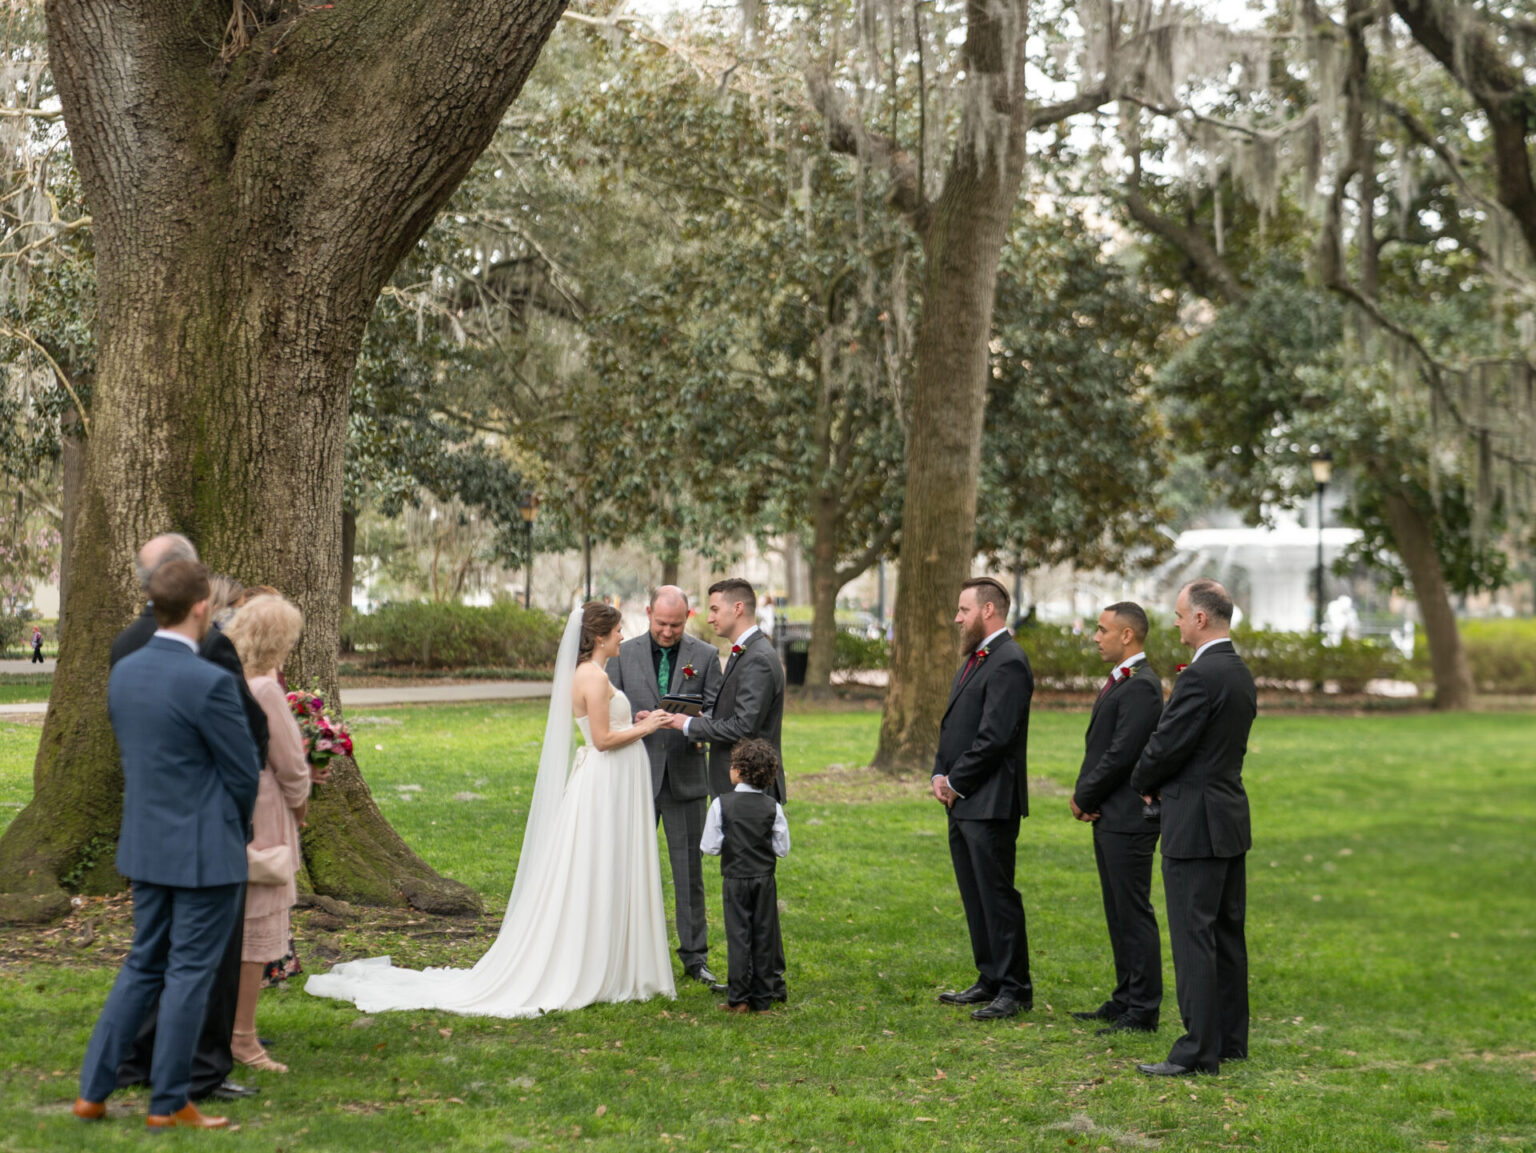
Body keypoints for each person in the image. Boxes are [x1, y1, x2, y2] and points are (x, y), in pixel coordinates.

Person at [306, 602, 677, 1017]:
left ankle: (613, 961)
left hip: (612, 781)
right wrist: (645, 728)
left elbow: (608, 728)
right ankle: (593, 963)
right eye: (617, 630)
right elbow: (603, 739)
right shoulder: (590, 675)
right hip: (604, 780)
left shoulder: (596, 674)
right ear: (599, 636)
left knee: (607, 865)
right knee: (596, 866)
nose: (622, 636)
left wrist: (640, 722)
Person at [74, 560, 261, 1130]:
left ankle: (93, 1091)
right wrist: (239, 832)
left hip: (146, 843)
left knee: (141, 965)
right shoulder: (209, 680)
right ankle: (169, 1102)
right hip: (205, 851)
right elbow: (244, 772)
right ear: (202, 606)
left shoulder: (123, 673)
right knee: (187, 974)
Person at [1130, 579, 1257, 1078]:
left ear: (1201, 618)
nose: (1177, 621)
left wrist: (1142, 780)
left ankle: (1198, 1050)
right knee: (1225, 934)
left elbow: (1167, 743)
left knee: (1193, 935)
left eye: (1181, 614)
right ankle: (1229, 1039)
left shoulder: (1201, 677)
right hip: (1227, 817)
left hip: (1195, 822)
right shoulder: (1239, 672)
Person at [607, 586, 724, 989]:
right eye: (660, 623)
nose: (668, 632)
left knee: (689, 875)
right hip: (634, 775)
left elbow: (717, 714)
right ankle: (619, 952)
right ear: (647, 613)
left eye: (676, 624)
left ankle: (695, 959)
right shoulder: (622, 652)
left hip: (686, 779)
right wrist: (637, 724)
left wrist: (688, 724)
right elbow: (606, 710)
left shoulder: (706, 657)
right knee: (624, 868)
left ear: (688, 616)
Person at [932, 577, 1034, 1021]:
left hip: (990, 800)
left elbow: (995, 737)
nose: (957, 618)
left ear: (988, 611)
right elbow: (955, 723)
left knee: (996, 895)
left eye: (964, 610)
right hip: (963, 799)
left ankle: (1015, 987)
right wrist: (940, 771)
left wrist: (958, 782)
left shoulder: (1008, 661)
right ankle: (989, 977)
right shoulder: (977, 658)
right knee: (974, 894)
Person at [224, 594, 316, 1075]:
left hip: (236, 807)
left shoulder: (231, 680)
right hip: (265, 807)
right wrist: (301, 805)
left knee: (241, 925)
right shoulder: (266, 690)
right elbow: (291, 765)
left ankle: (231, 1029)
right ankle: (243, 1037)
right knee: (258, 930)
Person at [1070, 602, 1165, 1036]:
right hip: (1110, 813)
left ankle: (1143, 1010)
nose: (1095, 636)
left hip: (1129, 817)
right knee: (1117, 913)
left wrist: (1083, 795)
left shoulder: (1143, 686)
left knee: (1133, 912)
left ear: (1127, 635)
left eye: (1102, 629)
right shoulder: (1123, 680)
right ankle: (1125, 997)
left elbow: (1122, 754)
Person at [660, 578, 786, 802]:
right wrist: (703, 718)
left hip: (749, 790)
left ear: (738, 608)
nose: (709, 618)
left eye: (715, 610)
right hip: (736, 789)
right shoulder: (747, 652)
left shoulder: (758, 658)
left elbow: (744, 727)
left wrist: (688, 724)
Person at [701, 738, 789, 1014]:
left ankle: (739, 998)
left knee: (738, 936)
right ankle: (763, 1000)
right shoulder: (773, 807)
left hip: (735, 880)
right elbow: (782, 849)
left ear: (737, 770)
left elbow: (710, 846)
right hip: (764, 880)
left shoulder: (720, 805)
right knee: (764, 935)